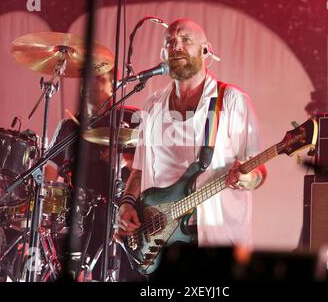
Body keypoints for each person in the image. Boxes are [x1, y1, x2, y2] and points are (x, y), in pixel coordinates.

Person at [117, 19, 267, 249]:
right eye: (170, 42)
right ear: (162, 54)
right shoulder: (153, 104)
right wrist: (127, 203)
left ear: (205, 50)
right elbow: (139, 168)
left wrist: (248, 178)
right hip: (160, 240)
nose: (176, 46)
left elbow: (258, 171)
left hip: (216, 238)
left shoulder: (230, 100)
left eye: (185, 40)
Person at [46, 71, 141, 281]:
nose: (92, 82)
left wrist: (124, 159)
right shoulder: (69, 126)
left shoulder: (132, 118)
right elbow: (50, 170)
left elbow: (154, 165)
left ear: (114, 84)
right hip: (79, 217)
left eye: (100, 77)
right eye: (89, 77)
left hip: (124, 214)